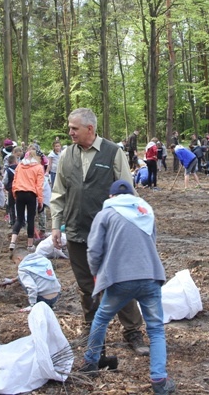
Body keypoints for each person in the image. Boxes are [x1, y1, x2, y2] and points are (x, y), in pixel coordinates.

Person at [50, 108, 149, 356]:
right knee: (86, 286)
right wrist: (55, 225)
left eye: (74, 128)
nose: (70, 132)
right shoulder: (66, 155)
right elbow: (58, 193)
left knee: (119, 281)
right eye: (70, 127)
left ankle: (132, 331)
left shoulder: (113, 152)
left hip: (109, 233)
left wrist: (132, 226)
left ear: (90, 129)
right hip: (75, 230)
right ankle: (92, 329)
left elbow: (128, 193)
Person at [78, 180, 175, 395]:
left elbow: (94, 250)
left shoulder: (105, 214)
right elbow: (153, 241)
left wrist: (96, 272)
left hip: (120, 279)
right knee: (156, 329)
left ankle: (90, 363)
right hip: (150, 276)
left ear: (111, 197)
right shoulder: (145, 210)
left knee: (101, 319)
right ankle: (159, 381)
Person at [9, 146, 45, 251]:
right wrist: (40, 201)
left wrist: (15, 193)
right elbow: (39, 186)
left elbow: (14, 181)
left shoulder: (20, 165)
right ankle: (29, 245)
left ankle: (12, 242)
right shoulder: (38, 167)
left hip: (19, 193)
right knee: (30, 219)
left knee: (19, 219)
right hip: (31, 194)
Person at [5, 248, 61, 312]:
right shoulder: (43, 260)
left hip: (43, 299)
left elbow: (31, 287)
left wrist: (33, 305)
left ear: (19, 258)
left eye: (14, 262)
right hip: (56, 297)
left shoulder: (22, 269)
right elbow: (38, 274)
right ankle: (50, 306)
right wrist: (12, 280)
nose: (15, 265)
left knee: (22, 278)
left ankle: (35, 304)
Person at [2, 154, 18, 227]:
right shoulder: (19, 169)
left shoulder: (7, 170)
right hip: (19, 188)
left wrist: (5, 186)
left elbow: (5, 180)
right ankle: (21, 221)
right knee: (19, 205)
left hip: (11, 189)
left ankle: (12, 221)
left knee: (11, 205)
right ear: (15, 161)